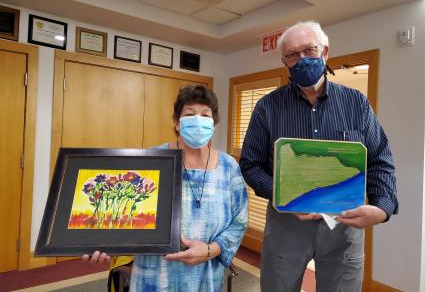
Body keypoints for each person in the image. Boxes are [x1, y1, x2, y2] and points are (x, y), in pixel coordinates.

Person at [239, 21, 398, 292]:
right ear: (285, 62)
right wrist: (282, 196)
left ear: (325, 52)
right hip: (286, 222)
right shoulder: (267, 107)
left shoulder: (356, 103)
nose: (302, 59)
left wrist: (382, 208)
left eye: (309, 50)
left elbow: (380, 159)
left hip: (343, 226)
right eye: (292, 54)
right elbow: (251, 165)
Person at [84, 84, 248, 292]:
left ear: (214, 123)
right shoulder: (151, 161)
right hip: (153, 278)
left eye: (205, 115)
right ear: (177, 123)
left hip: (205, 278)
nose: (198, 120)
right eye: (189, 114)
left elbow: (239, 221)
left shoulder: (229, 167)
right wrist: (105, 242)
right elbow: (123, 213)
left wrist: (210, 250)